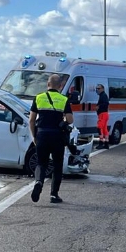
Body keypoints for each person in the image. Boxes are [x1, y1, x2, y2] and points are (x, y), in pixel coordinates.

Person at [28, 73, 73, 204]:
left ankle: (38, 182)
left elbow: (31, 120)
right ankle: (54, 195)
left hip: (42, 134)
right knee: (58, 165)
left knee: (41, 163)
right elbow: (70, 119)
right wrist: (63, 119)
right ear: (60, 86)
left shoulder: (38, 98)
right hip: (57, 136)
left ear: (48, 85)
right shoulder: (64, 99)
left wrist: (34, 136)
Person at [95, 83, 110, 150]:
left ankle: (101, 142)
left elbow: (106, 103)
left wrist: (98, 107)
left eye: (99, 88)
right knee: (104, 129)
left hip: (103, 114)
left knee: (99, 127)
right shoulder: (102, 95)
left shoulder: (103, 95)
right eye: (97, 88)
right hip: (104, 114)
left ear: (102, 89)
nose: (97, 90)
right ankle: (106, 143)